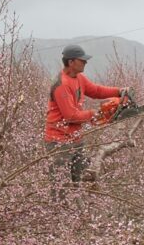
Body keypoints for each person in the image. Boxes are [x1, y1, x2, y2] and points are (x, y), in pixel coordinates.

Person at [45, 44, 133, 193]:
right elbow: (70, 115)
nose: (85, 62)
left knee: (77, 181)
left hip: (76, 138)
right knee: (61, 187)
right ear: (71, 62)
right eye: (82, 60)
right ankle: (59, 213)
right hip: (59, 141)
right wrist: (94, 114)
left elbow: (96, 90)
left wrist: (119, 91)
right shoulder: (61, 85)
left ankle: (76, 211)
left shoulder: (78, 77)